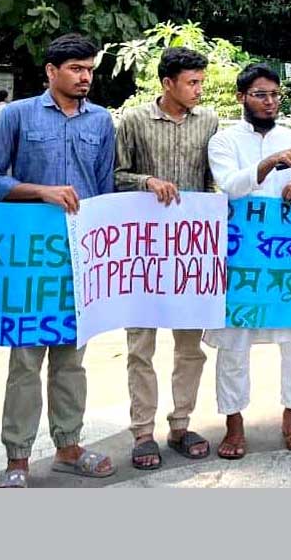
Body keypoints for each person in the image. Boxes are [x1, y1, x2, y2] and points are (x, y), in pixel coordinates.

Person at [0, 33, 117, 488]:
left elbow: (104, 189)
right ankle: (17, 456)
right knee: (25, 360)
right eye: (76, 69)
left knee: (72, 361)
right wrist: (41, 192)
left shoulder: (101, 122)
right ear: (51, 72)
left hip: (81, 257)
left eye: (89, 69)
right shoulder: (15, 115)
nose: (85, 77)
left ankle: (69, 447)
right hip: (30, 259)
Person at [206, 63, 291, 460]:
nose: (270, 102)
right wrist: (271, 163)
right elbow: (231, 186)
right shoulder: (223, 140)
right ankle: (234, 423)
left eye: (275, 95)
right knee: (234, 342)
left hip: (287, 255)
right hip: (241, 255)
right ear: (242, 97)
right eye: (260, 95)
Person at [113, 47, 218, 470]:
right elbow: (116, 177)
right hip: (142, 250)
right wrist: (146, 180)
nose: (198, 90)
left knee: (190, 346)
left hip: (191, 249)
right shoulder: (134, 121)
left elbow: (215, 181)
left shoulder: (209, 121)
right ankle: (142, 431)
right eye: (191, 82)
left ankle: (181, 424)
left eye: (201, 82)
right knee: (141, 344)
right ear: (167, 84)